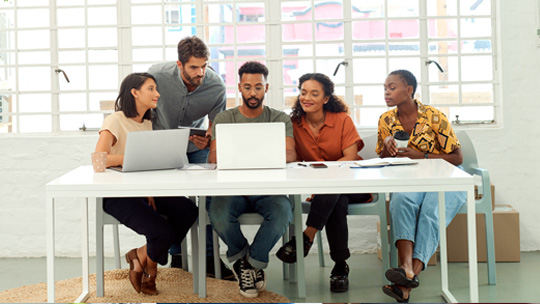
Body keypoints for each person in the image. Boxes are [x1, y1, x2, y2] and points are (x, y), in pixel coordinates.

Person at [94, 73, 198, 295]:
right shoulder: (115, 120)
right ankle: (151, 265)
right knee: (162, 233)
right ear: (135, 92)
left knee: (188, 211)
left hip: (143, 191)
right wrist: (130, 157)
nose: (157, 93)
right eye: (151, 88)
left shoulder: (147, 124)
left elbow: (146, 165)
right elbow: (98, 160)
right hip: (117, 195)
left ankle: (141, 255)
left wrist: (150, 190)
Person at [275, 73, 372, 292]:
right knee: (335, 201)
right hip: (325, 191)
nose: (306, 97)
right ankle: (340, 265)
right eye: (303, 92)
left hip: (353, 183)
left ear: (326, 98)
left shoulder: (342, 120)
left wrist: (327, 176)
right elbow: (292, 158)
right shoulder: (293, 124)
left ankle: (306, 237)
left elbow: (350, 157)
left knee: (333, 189)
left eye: (314, 93)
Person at [148, 36, 234, 280]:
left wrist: (208, 137)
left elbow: (217, 127)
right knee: (172, 200)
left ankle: (208, 258)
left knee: (208, 198)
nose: (201, 73)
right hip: (162, 145)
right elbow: (141, 108)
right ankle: (176, 256)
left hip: (196, 146)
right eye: (194, 67)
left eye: (204, 66)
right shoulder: (156, 75)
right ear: (179, 64)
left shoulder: (215, 86)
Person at [207, 61, 295, 298]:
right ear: (239, 88)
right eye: (247, 87)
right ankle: (242, 260)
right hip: (231, 189)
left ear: (266, 88)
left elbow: (290, 154)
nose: (253, 93)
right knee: (218, 213)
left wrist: (245, 155)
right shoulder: (224, 118)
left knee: (282, 212)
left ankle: (251, 263)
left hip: (268, 189)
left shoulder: (279, 118)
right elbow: (213, 157)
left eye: (258, 87)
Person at [376, 70, 465, 303]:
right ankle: (406, 267)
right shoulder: (386, 120)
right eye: (385, 87)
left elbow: (457, 158)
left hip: (445, 177)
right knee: (400, 200)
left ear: (409, 90)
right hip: (411, 178)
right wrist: (387, 144)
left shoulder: (435, 116)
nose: (386, 91)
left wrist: (422, 155)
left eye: (392, 87)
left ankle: (407, 278)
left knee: (430, 213)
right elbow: (384, 157)